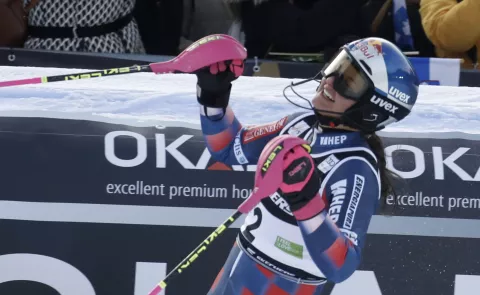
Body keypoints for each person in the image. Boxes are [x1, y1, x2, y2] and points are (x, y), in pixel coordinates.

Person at [194, 37, 419, 294]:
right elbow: (230, 147)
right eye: (337, 65)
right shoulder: (300, 124)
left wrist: (305, 202)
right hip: (239, 265)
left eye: (348, 81)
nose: (329, 81)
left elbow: (342, 266)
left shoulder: (355, 167)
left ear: (371, 109)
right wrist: (213, 96)